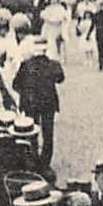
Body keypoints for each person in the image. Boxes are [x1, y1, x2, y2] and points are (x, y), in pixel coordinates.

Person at [12, 35, 64, 166]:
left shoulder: (25, 65)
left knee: (31, 131)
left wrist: (26, 92)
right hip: (48, 103)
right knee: (48, 134)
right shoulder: (53, 64)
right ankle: (45, 163)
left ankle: (33, 158)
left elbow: (16, 85)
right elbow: (60, 78)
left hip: (30, 103)